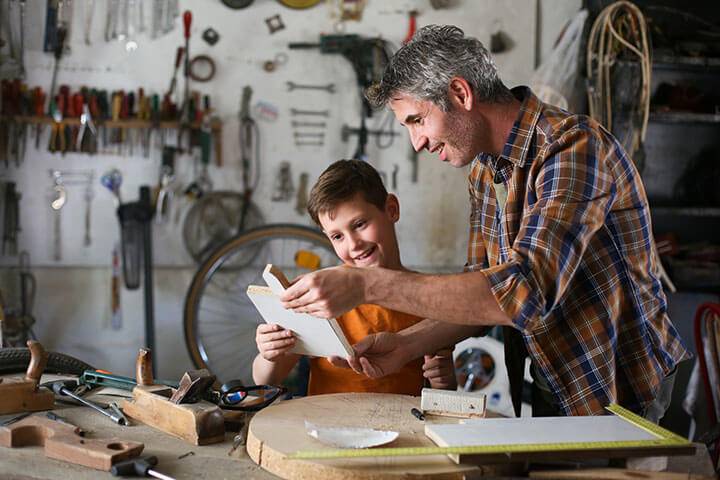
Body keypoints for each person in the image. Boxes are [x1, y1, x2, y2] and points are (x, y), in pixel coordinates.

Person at [278, 25, 690, 420]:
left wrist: (365, 284)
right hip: (556, 381)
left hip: (622, 389)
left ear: (460, 93)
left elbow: (524, 293)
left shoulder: (572, 148)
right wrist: (405, 345)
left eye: (417, 121)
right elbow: (482, 296)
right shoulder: (484, 173)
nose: (417, 143)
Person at [252, 159, 457, 395]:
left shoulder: (429, 295)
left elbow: (443, 395)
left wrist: (444, 381)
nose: (354, 245)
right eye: (337, 236)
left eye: (359, 224)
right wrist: (269, 354)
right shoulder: (319, 297)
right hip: (325, 428)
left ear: (391, 209)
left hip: (403, 429)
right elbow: (266, 379)